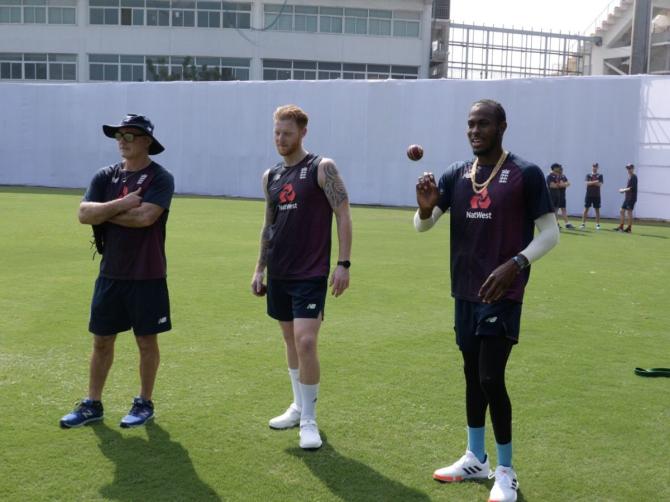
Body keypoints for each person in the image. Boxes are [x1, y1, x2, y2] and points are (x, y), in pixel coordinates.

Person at [414, 100, 559, 502]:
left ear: (502, 127)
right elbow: (423, 225)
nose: (475, 130)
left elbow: (550, 234)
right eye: (470, 124)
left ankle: (506, 470)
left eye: (484, 124)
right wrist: (424, 209)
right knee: (471, 373)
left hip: (504, 292)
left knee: (492, 376)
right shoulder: (455, 174)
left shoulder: (526, 174)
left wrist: (516, 263)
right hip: (465, 290)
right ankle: (475, 458)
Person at [60, 114, 175, 429]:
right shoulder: (105, 176)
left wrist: (104, 212)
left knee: (146, 341)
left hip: (148, 275)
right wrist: (124, 203)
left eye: (129, 135)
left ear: (146, 141)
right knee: (101, 341)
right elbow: (84, 214)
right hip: (111, 274)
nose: (122, 141)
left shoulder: (160, 178)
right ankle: (92, 404)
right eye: (119, 136)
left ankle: (144, 403)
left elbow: (145, 219)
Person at [251, 104, 352, 450]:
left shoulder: (322, 168)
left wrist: (344, 263)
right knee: (291, 342)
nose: (281, 139)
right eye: (277, 133)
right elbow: (269, 225)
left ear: (303, 133)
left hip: (311, 272)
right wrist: (259, 268)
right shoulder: (271, 177)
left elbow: (343, 214)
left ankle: (309, 420)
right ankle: (297, 406)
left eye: (287, 133)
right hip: (279, 270)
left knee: (306, 341)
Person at [546, 163, 573, 229]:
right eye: (558, 167)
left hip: (558, 195)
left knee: (556, 210)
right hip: (552, 196)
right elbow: (552, 185)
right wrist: (560, 185)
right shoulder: (550, 176)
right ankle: (554, 224)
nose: (560, 169)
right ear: (554, 168)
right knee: (552, 211)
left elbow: (568, 183)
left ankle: (557, 224)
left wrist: (560, 184)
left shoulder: (560, 176)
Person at [580, 162, 603, 230]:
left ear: (597, 167)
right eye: (593, 166)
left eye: (595, 166)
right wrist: (595, 182)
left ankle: (597, 224)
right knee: (586, 209)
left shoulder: (600, 175)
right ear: (592, 167)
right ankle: (583, 224)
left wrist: (592, 183)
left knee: (597, 210)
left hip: (597, 195)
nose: (594, 168)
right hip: (589, 195)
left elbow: (599, 184)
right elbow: (587, 183)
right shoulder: (588, 175)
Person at [615, 164, 637, 233]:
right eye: (627, 168)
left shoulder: (634, 177)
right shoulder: (630, 177)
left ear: (633, 169)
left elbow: (631, 188)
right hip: (627, 198)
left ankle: (629, 228)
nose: (628, 170)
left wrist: (623, 190)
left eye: (630, 168)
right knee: (622, 211)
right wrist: (624, 191)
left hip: (631, 198)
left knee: (629, 212)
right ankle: (621, 226)